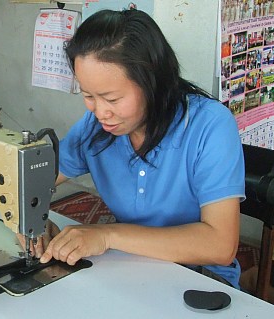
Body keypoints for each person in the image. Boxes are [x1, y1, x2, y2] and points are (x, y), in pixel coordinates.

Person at [22, 9, 245, 289]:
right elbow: (34, 182)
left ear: (153, 82)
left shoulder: (209, 125)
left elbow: (220, 245)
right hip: (129, 267)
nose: (101, 112)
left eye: (112, 98)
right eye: (88, 96)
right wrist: (34, 220)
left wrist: (106, 236)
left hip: (199, 279)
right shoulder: (96, 127)